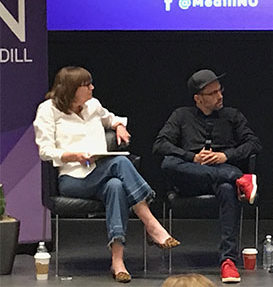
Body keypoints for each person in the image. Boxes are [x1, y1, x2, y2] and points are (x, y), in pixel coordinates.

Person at [33, 66, 179, 284]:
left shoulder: (93, 105)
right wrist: (74, 155)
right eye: (87, 85)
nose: (92, 87)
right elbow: (45, 151)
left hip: (99, 174)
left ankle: (118, 261)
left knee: (116, 186)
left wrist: (119, 125)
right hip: (73, 179)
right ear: (72, 89)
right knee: (120, 162)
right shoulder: (48, 110)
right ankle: (151, 223)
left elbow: (111, 118)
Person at [153, 69, 261, 284]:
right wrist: (192, 157)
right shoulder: (181, 115)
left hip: (219, 181)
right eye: (212, 93)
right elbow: (160, 144)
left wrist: (225, 156)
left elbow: (254, 143)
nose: (219, 96)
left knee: (227, 189)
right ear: (198, 98)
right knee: (169, 163)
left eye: (220, 91)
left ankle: (228, 262)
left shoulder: (232, 116)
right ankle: (237, 177)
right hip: (191, 179)